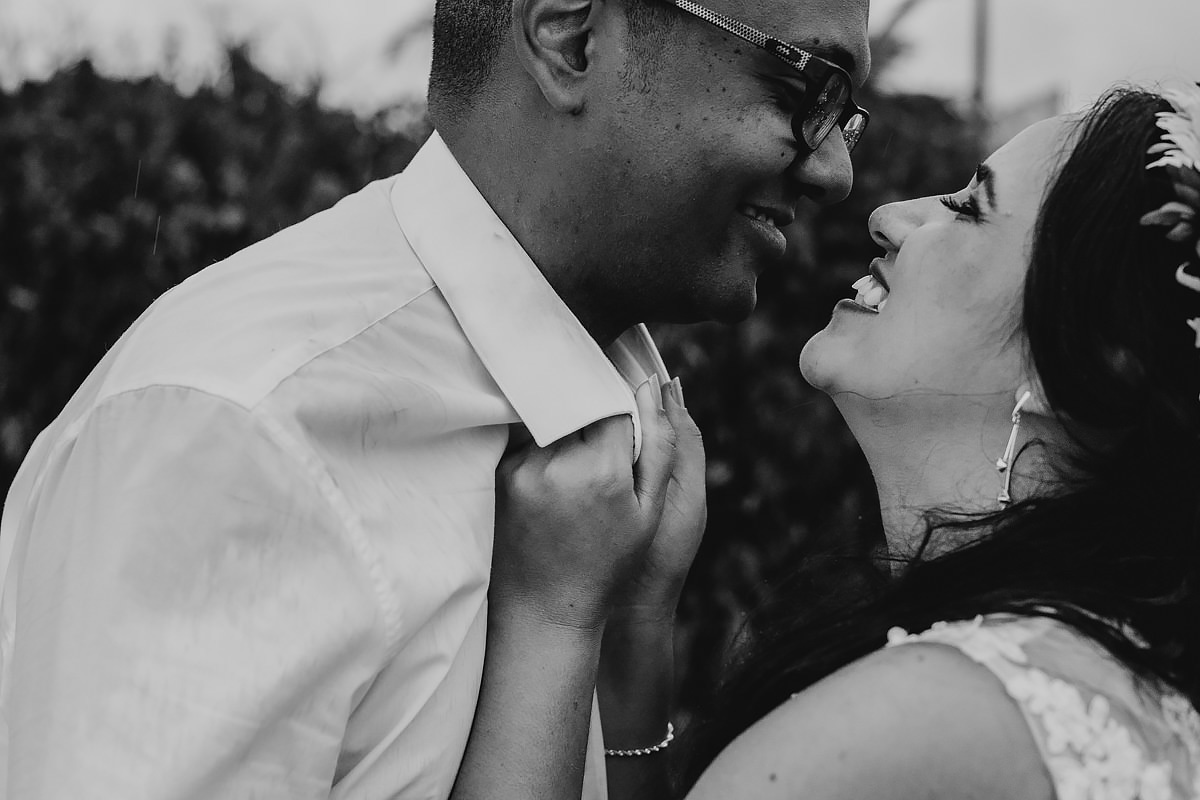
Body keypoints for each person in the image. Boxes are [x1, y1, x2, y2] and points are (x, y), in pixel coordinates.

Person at [0, 0, 870, 797]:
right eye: (811, 84)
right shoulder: (242, 429)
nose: (837, 170)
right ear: (572, 39)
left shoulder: (629, 434)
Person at [458, 85, 1200, 800]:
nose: (885, 216)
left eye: (970, 208)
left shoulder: (922, 722)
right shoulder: (1108, 670)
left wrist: (550, 616)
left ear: (1099, 354)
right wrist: (635, 624)